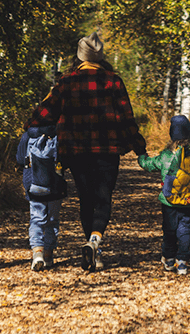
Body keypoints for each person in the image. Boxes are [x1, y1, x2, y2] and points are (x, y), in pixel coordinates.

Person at [27, 31, 148, 272]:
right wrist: (138, 144)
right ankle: (95, 241)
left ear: (80, 56)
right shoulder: (113, 80)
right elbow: (126, 117)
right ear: (100, 56)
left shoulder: (66, 82)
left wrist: (29, 126)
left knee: (86, 198)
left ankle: (95, 251)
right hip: (107, 150)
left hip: (76, 150)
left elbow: (44, 112)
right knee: (103, 198)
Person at [137, 114, 190, 276]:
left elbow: (149, 165)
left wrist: (141, 156)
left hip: (169, 202)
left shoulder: (166, 156)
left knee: (169, 230)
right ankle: (182, 261)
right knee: (186, 230)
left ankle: (168, 259)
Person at [16, 122, 65, 271]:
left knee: (37, 218)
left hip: (33, 182)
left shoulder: (28, 135)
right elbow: (66, 158)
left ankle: (37, 253)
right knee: (52, 220)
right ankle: (49, 255)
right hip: (56, 183)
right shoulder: (60, 134)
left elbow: (19, 158)